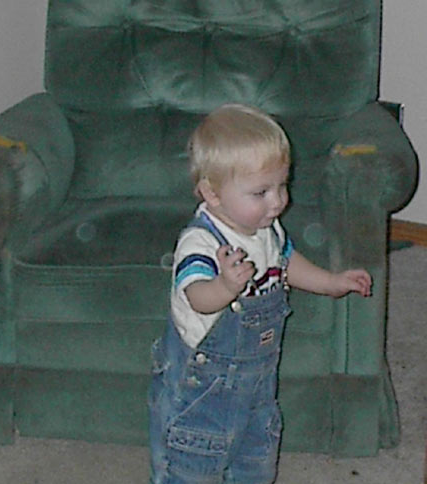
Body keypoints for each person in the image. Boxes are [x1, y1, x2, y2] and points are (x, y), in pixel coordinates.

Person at [148, 104, 372, 484]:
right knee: (191, 470)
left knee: (255, 465)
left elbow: (286, 262)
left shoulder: (267, 230)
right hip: (200, 396)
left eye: (282, 185)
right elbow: (196, 296)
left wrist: (330, 283)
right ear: (212, 193)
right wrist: (224, 286)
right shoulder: (202, 242)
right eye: (261, 192)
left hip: (256, 390)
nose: (278, 201)